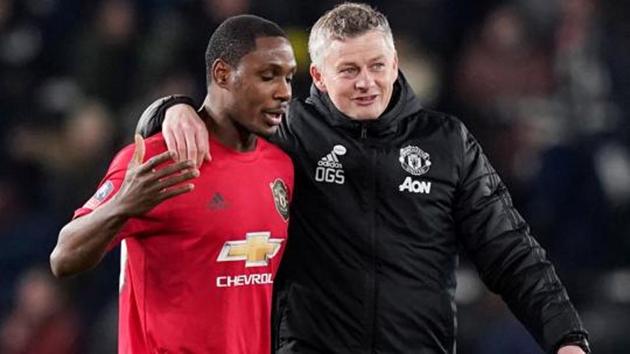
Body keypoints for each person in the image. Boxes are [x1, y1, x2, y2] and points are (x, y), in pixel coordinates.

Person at [136, 3, 590, 354]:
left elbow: (510, 251)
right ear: (317, 75)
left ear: (395, 63)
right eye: (349, 70)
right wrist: (169, 109)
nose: (366, 82)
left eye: (377, 66)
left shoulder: (446, 142)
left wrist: (565, 336)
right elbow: (208, 118)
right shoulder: (286, 130)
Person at [50, 15, 296, 353]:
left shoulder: (281, 166)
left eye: (288, 78)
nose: (284, 92)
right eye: (268, 76)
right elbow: (63, 258)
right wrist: (123, 204)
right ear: (222, 74)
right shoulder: (157, 159)